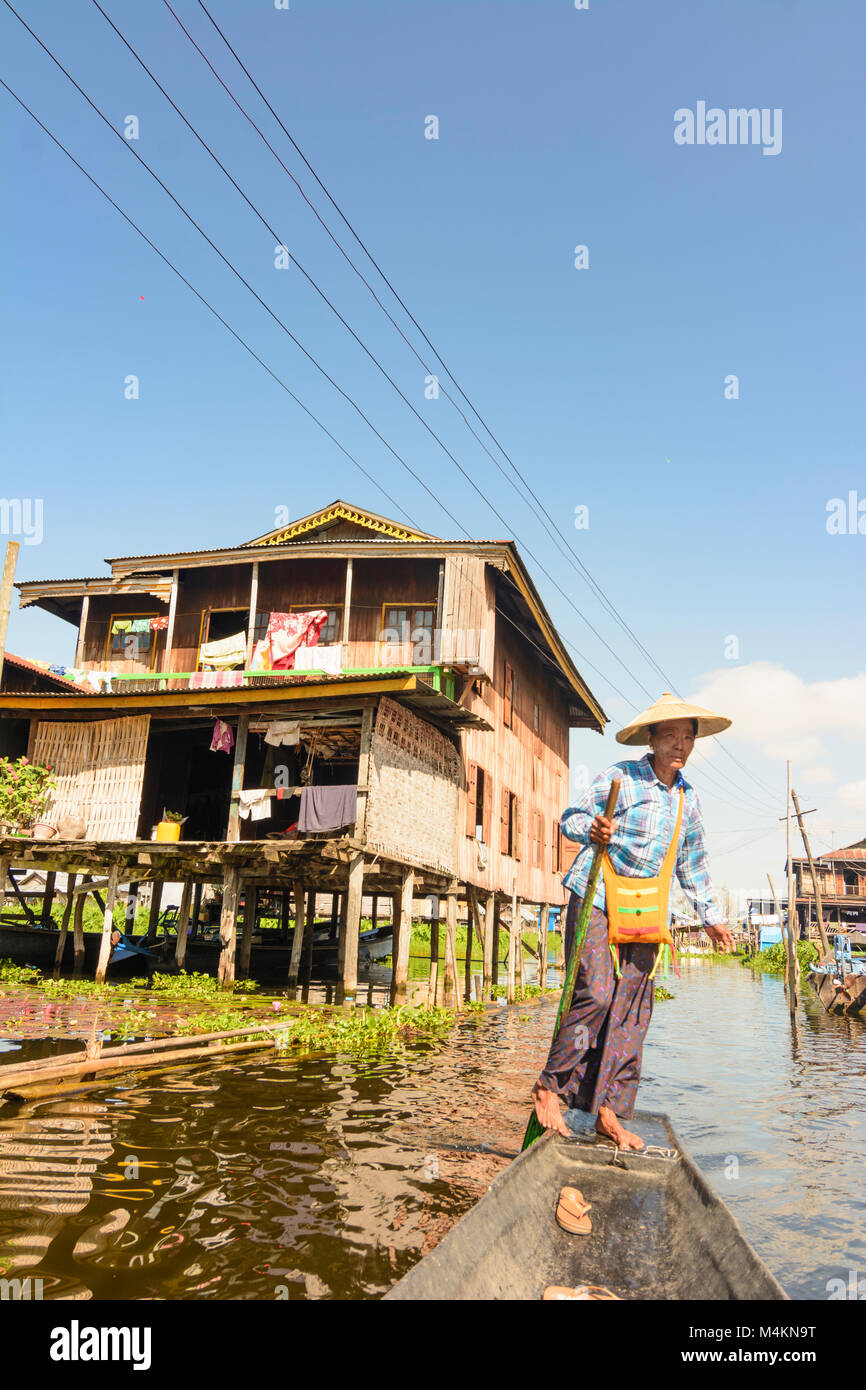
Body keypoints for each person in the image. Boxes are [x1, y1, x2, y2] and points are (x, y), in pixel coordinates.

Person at [532, 693, 735, 1150]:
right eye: (671, 736)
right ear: (651, 739)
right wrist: (593, 829)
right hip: (598, 896)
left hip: (645, 911)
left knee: (631, 1016)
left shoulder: (689, 800)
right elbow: (572, 818)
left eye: (687, 738)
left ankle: (608, 1111)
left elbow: (693, 866)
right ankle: (550, 1085)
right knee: (598, 994)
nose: (680, 745)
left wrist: (712, 919)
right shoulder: (623, 776)